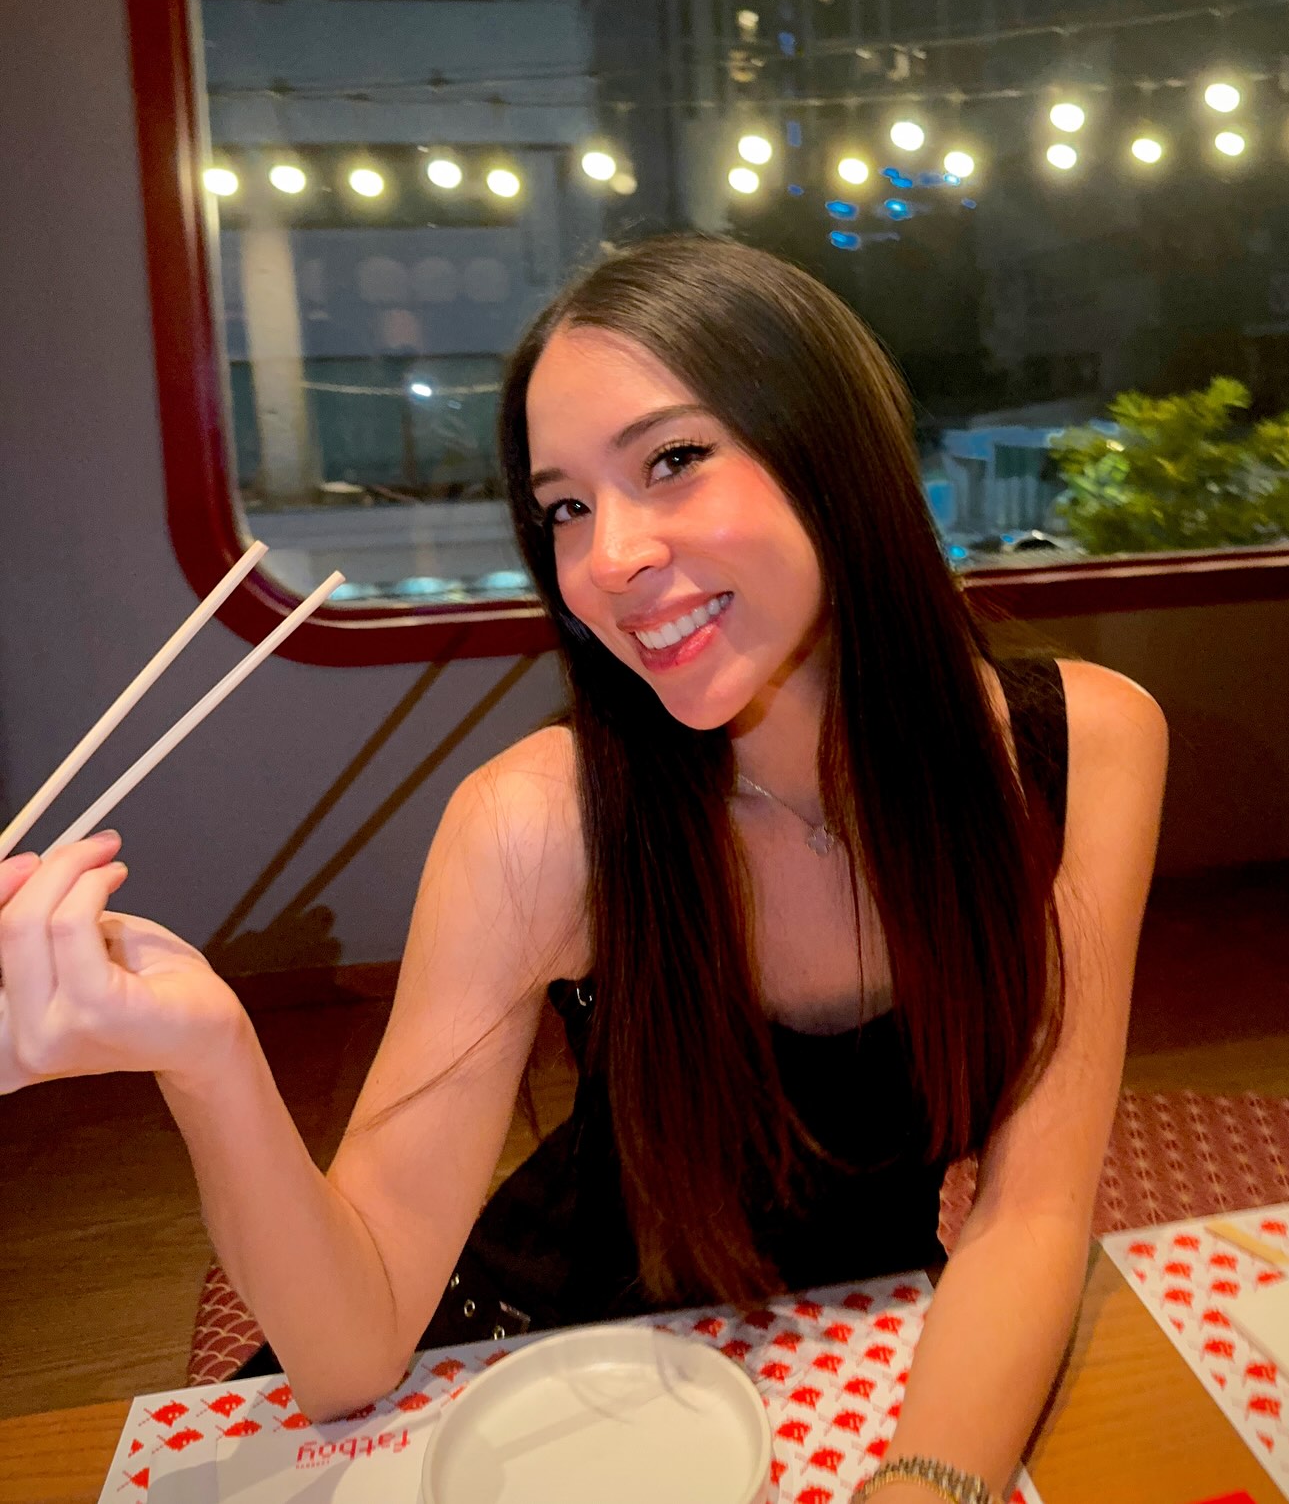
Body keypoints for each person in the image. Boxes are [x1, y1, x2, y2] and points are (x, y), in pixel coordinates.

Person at [0, 236, 1166, 1504]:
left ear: (834, 453)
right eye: (565, 506)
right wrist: (208, 1052)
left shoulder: (1080, 751)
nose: (608, 557)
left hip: (864, 1350)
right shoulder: (538, 824)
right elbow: (348, 1353)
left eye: (671, 459)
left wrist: (927, 1484)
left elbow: (1033, 1208)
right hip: (536, 1366)